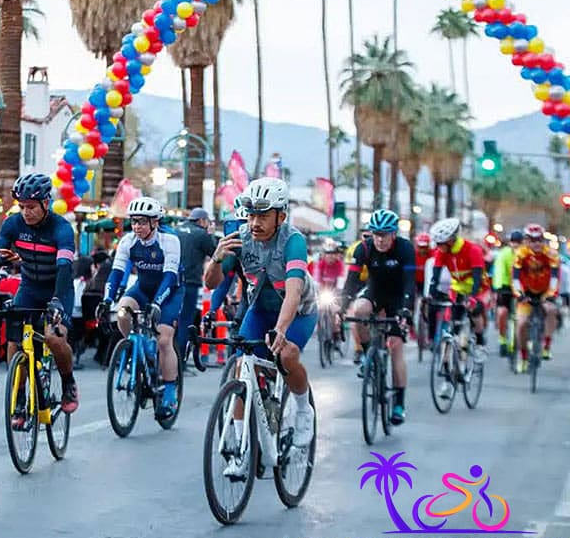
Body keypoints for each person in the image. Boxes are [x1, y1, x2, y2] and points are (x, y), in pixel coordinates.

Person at [204, 178, 317, 476]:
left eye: (263, 215)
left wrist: (281, 330)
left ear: (281, 215)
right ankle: (240, 451)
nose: (255, 222)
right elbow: (211, 283)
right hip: (260, 310)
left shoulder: (293, 240)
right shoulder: (241, 238)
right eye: (251, 214)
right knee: (244, 368)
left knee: (286, 355)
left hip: (298, 312)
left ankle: (304, 410)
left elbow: (293, 292)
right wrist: (217, 259)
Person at [0, 173, 79, 420]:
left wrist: (57, 300)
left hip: (59, 288)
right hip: (30, 287)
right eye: (22, 206)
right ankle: (21, 396)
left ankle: (68, 383)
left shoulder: (62, 228)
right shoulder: (13, 224)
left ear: (46, 203)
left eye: (32, 207)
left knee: (54, 338)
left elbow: (65, 269)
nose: (26, 212)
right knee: (15, 342)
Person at [98, 197, 184, 420]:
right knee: (123, 311)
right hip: (143, 288)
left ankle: (170, 391)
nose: (137, 227)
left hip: (170, 290)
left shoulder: (169, 240)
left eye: (143, 222)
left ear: (155, 222)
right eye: (134, 222)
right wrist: (107, 300)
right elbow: (116, 273)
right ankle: (134, 347)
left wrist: (157, 303)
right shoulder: (128, 241)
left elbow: (170, 276)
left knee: (164, 339)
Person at [341, 209, 416, 425]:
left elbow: (410, 282)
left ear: (394, 234)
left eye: (384, 234)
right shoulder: (363, 248)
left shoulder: (405, 248)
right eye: (376, 234)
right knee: (358, 311)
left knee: (395, 346)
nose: (380, 239)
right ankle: (367, 356)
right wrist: (341, 306)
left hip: (399, 297)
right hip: (374, 291)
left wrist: (406, 310)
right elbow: (351, 281)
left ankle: (399, 403)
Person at [429, 218, 488, 346]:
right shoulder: (441, 252)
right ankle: (451, 353)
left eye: (440, 243)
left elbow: (477, 278)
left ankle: (480, 341)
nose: (437, 247)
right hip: (458, 289)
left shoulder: (472, 250)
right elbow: (435, 276)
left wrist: (472, 297)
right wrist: (431, 294)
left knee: (474, 311)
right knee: (454, 319)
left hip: (479, 288)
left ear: (450, 241)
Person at [174, 207, 215, 366]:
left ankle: (162, 359)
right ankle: (179, 362)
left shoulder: (177, 230)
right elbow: (215, 253)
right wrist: (210, 235)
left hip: (172, 281)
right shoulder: (201, 234)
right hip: (190, 282)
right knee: (185, 321)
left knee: (169, 319)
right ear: (202, 220)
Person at [513, 223, 560, 363]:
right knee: (521, 324)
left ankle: (547, 346)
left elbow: (554, 277)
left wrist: (551, 295)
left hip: (545, 290)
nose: (537, 243)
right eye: (532, 240)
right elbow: (515, 278)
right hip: (526, 291)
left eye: (539, 239)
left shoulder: (551, 254)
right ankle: (524, 357)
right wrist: (519, 294)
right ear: (526, 241)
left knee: (551, 310)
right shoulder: (520, 254)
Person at [492, 230, 524, 357]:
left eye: (518, 243)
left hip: (521, 287)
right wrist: (498, 288)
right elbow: (499, 272)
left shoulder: (526, 254)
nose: (515, 245)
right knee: (502, 312)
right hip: (505, 286)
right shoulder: (503, 254)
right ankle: (502, 340)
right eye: (513, 242)